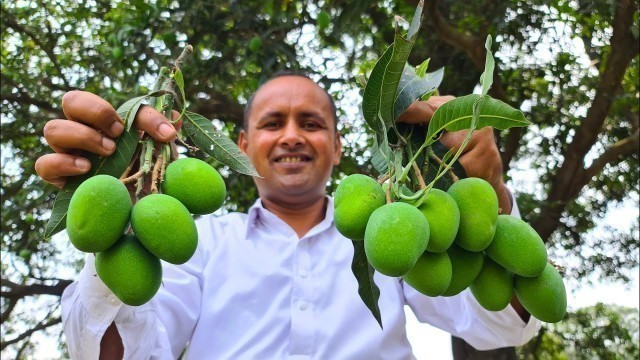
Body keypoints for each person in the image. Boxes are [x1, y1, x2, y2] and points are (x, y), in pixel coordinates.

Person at [35, 73, 540, 359]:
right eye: (273, 123)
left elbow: (501, 324)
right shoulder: (199, 242)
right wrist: (110, 196)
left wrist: (489, 196)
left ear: (339, 148)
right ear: (243, 146)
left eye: (313, 123)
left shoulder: (389, 236)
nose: (293, 136)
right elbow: (123, 353)